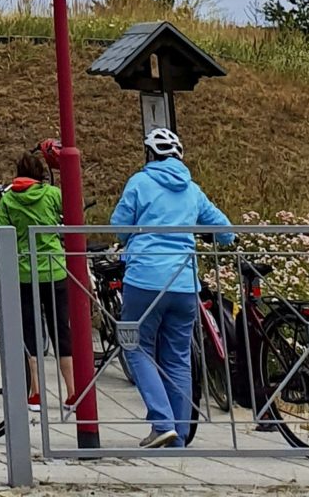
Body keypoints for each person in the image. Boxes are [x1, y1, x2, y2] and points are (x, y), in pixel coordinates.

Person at [109, 127, 234, 449]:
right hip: (184, 282)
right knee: (178, 358)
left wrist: (132, 238)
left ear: (150, 155)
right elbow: (224, 231)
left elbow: (119, 228)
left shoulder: (139, 182)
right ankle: (177, 438)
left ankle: (161, 423)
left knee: (134, 345)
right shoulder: (192, 189)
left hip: (145, 278)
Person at [0, 149, 74, 412]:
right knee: (61, 328)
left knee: (29, 331)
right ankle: (73, 392)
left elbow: (0, 230)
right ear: (40, 174)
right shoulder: (51, 194)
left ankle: (36, 392)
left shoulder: (8, 199)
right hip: (55, 270)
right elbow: (73, 210)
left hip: (24, 272)